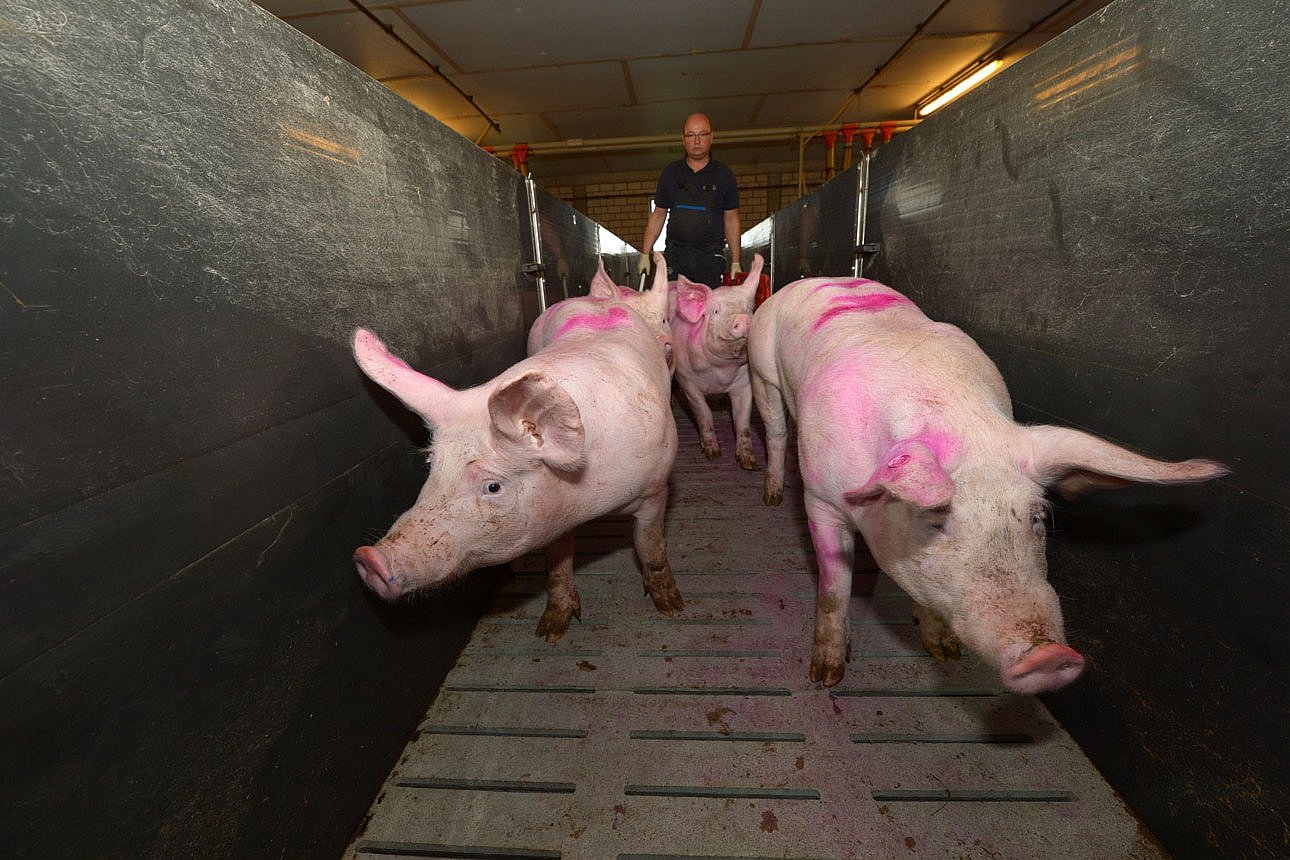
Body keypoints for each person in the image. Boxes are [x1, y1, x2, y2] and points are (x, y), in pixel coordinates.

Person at [638, 113, 742, 288]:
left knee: (708, 312)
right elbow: (658, 215)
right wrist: (645, 253)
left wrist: (736, 261)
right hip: (676, 257)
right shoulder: (670, 173)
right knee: (673, 310)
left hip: (710, 259)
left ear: (711, 137)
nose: (697, 141)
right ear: (683, 139)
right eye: (691, 135)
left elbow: (731, 219)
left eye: (702, 134)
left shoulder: (724, 175)